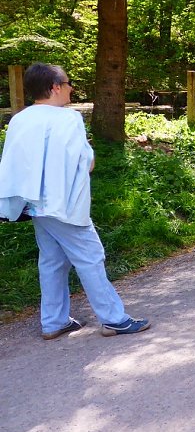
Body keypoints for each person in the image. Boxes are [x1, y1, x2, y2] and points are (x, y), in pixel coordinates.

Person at [0, 63, 150, 339]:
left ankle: (53, 322)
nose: (71, 89)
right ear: (55, 87)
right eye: (68, 84)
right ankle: (114, 318)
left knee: (52, 261)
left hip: (33, 204)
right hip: (64, 204)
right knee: (90, 257)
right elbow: (83, 163)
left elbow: (13, 163)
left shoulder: (20, 119)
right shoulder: (67, 119)